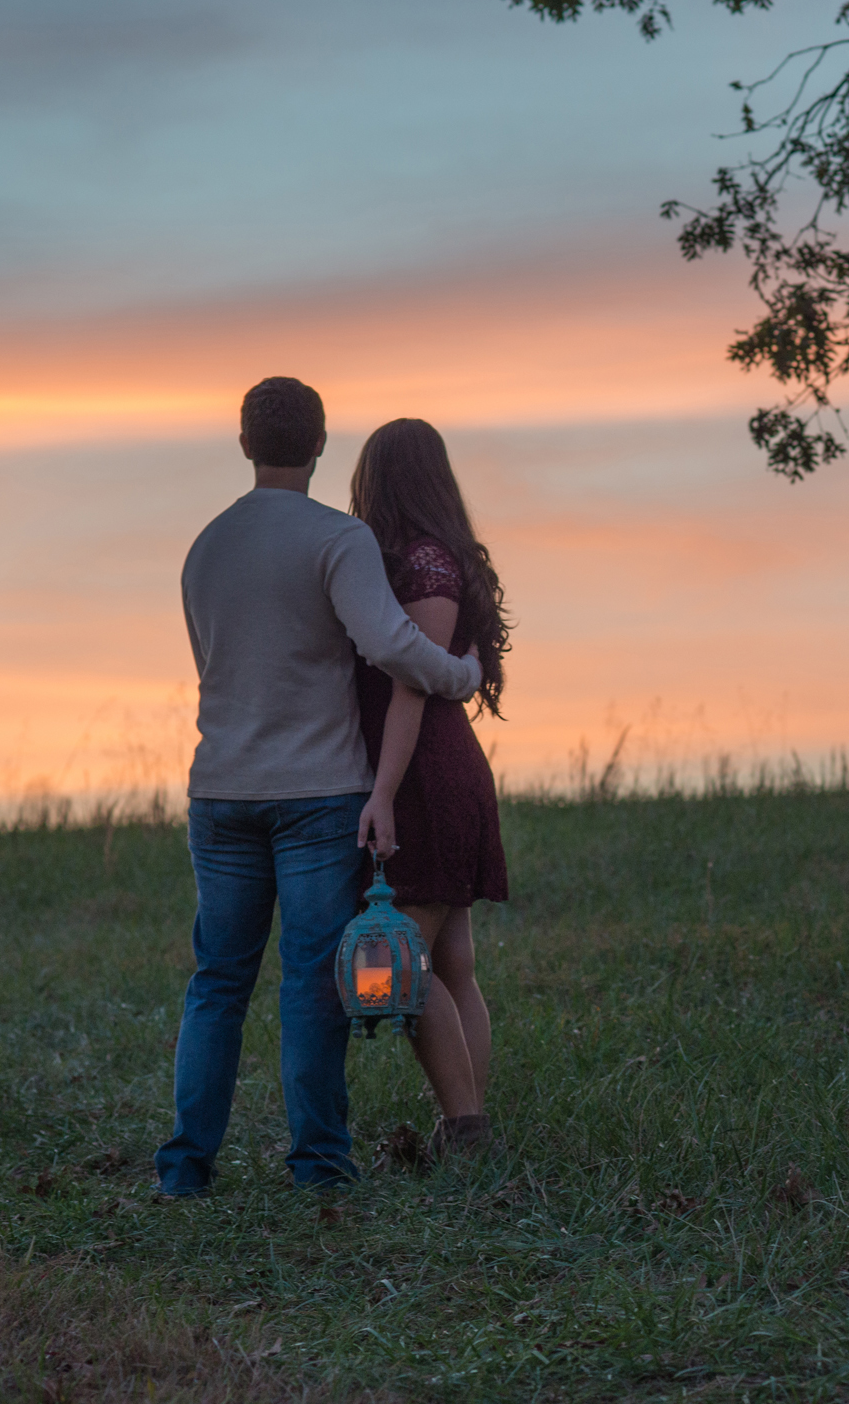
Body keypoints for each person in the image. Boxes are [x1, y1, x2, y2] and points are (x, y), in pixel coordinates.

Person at [155, 379, 483, 1198]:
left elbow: (212, 663)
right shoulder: (339, 540)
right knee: (310, 981)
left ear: (243, 444)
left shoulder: (205, 546)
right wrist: (461, 672)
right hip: (317, 794)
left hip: (220, 790)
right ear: (321, 443)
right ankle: (319, 1169)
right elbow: (392, 646)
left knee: (217, 982)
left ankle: (186, 1170)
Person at [348, 418, 511, 1158]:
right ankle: (464, 1127)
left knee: (398, 962)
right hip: (437, 773)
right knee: (449, 963)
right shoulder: (438, 559)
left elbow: (412, 688)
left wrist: (382, 792)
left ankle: (466, 1130)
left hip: (425, 778)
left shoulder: (424, 566)